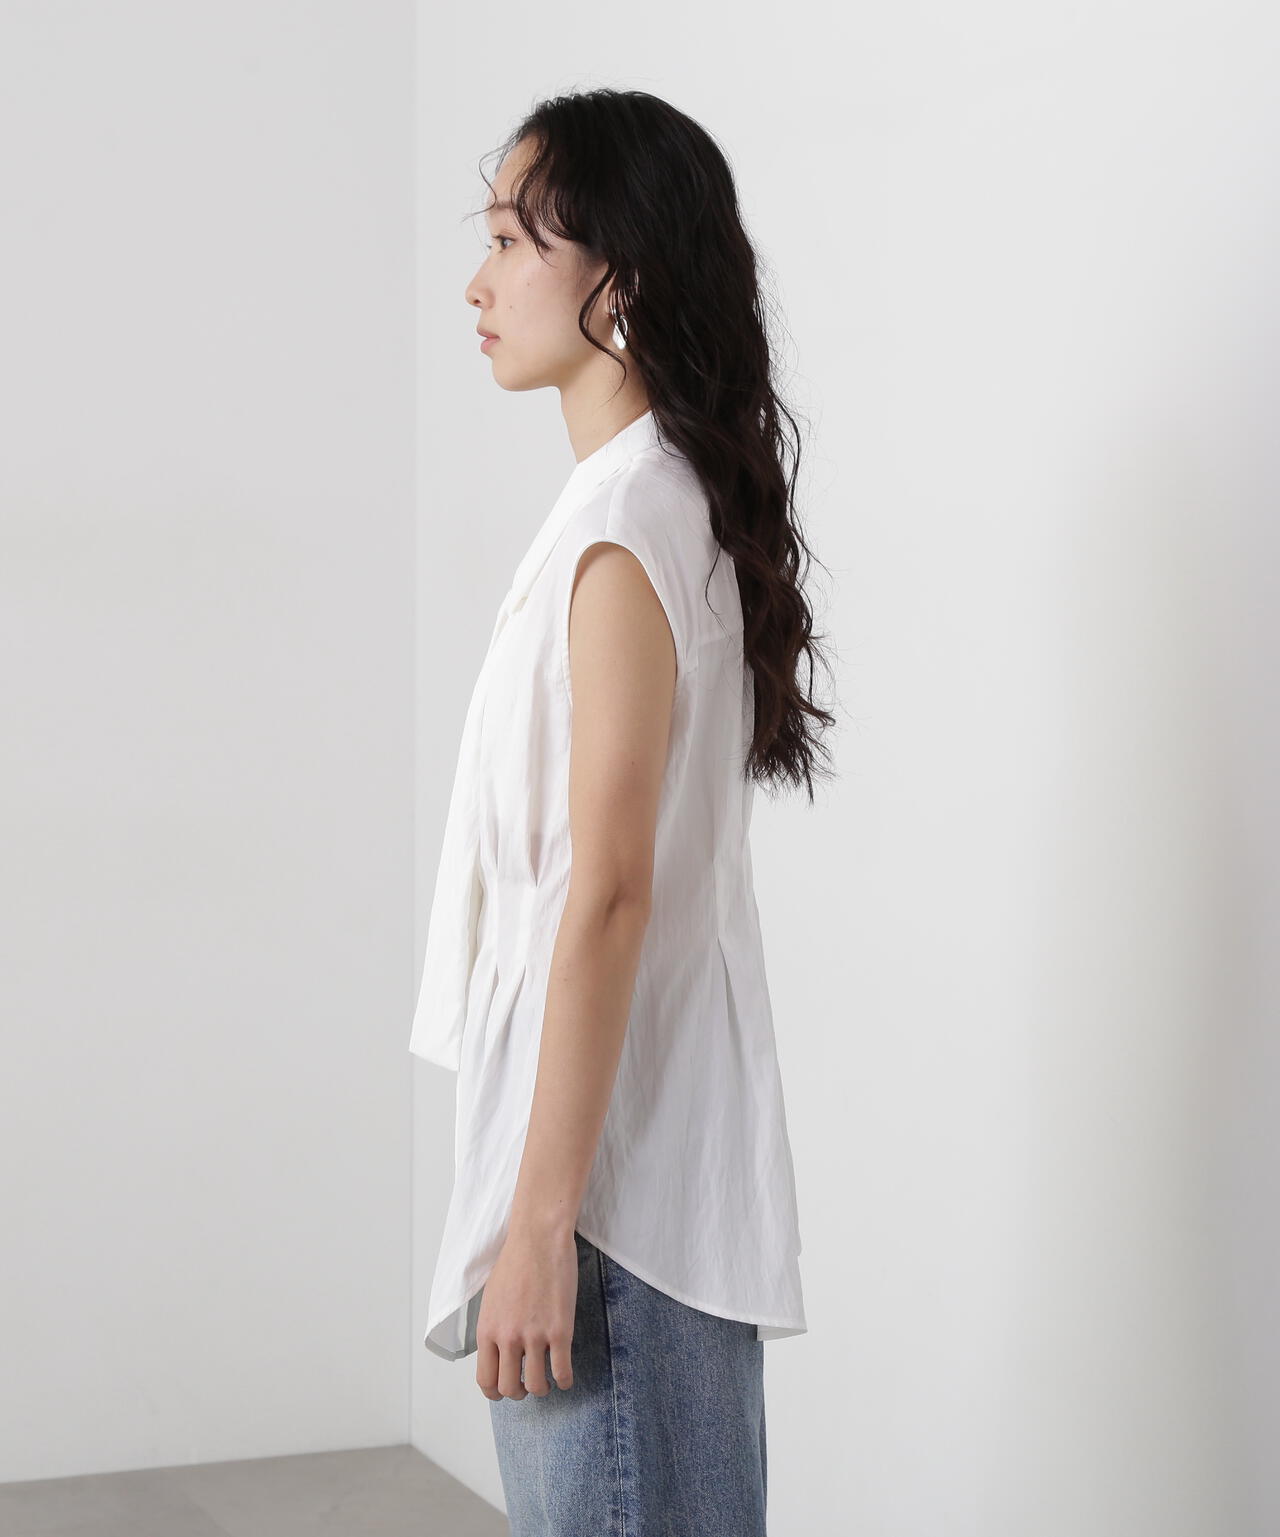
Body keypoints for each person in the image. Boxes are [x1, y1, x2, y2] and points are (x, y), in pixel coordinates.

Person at [410, 87, 838, 1535]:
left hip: (607, 1214)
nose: (478, 283)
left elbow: (606, 891)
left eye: (512, 241)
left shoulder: (620, 525)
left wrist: (538, 1226)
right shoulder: (645, 504)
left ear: (623, 283)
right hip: (636, 1188)